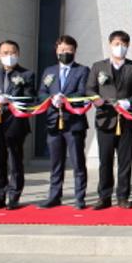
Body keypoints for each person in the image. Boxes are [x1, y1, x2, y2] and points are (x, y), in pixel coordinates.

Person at [86, 30, 132, 210]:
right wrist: (96, 99)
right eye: (116, 44)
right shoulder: (98, 66)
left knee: (125, 161)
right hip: (105, 119)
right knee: (105, 160)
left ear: (128, 46)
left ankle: (123, 196)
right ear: (110, 45)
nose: (120, 47)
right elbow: (89, 88)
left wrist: (129, 102)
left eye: (123, 44)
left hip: (127, 119)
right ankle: (104, 197)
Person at [0, 40, 36, 210]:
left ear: (18, 54)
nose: (9, 56)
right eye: (5, 53)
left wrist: (11, 99)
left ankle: (14, 197)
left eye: (12, 53)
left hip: (16, 123)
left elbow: (30, 98)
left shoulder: (27, 74)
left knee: (15, 162)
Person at [38, 35, 90, 210]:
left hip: (74, 122)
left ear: (74, 51)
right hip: (53, 122)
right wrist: (52, 98)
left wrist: (65, 98)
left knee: (77, 162)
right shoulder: (49, 71)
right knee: (56, 162)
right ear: (56, 51)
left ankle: (80, 197)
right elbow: (42, 93)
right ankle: (54, 196)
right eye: (62, 50)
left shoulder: (82, 70)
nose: (65, 53)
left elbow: (83, 92)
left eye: (69, 50)